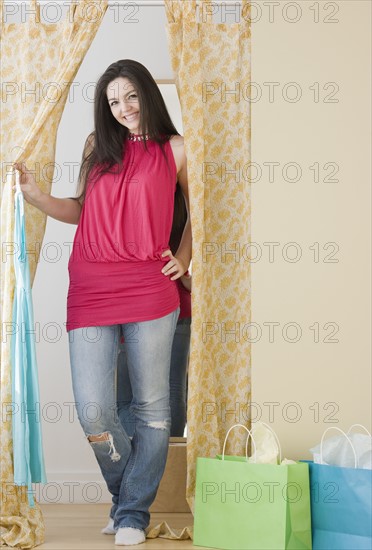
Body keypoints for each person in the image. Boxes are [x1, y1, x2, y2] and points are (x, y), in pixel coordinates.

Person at [13, 59, 191, 546]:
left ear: (147, 95)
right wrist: (35, 196)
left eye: (131, 96)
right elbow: (79, 209)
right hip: (90, 287)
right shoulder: (97, 147)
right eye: (114, 101)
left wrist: (184, 256)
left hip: (151, 287)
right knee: (94, 409)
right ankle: (126, 498)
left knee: (152, 406)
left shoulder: (176, 150)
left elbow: (200, 209)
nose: (124, 108)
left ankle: (131, 512)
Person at [117, 183, 192, 438]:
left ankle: (147, 462)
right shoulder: (182, 203)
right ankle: (163, 462)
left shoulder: (137, 204)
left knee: (127, 398)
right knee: (171, 390)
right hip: (172, 306)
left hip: (138, 306)